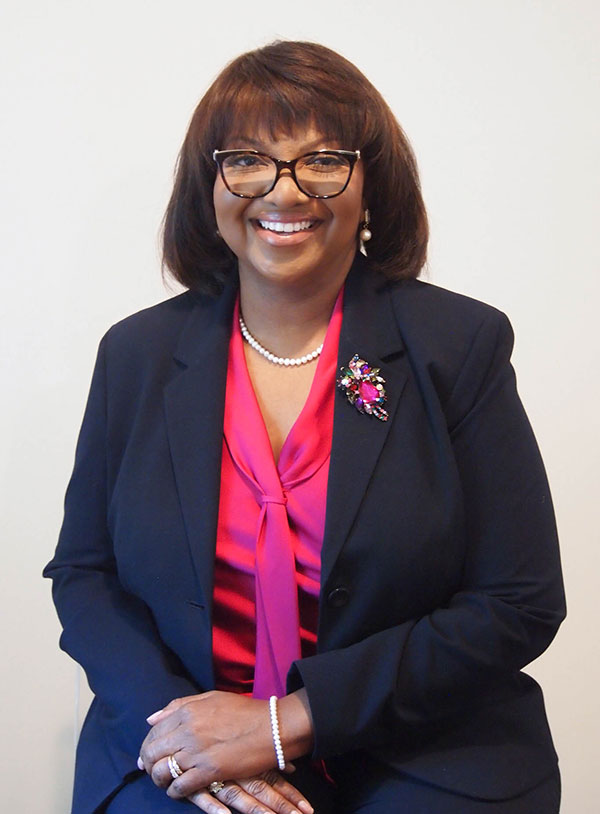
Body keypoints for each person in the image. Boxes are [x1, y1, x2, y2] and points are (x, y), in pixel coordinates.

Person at [44, 40, 565, 814]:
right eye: (247, 160)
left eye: (322, 160)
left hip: (422, 748)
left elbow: (518, 601)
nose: (284, 190)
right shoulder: (137, 355)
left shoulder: (458, 346)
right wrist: (186, 735)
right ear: (209, 187)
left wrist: (286, 724)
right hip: (185, 738)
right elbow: (85, 574)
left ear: (370, 183)